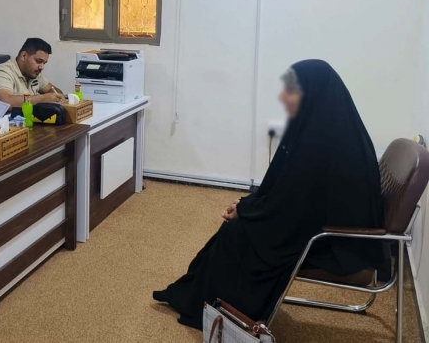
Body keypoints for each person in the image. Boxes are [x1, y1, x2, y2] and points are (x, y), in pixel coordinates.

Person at [153, 60, 386, 329]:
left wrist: (248, 212)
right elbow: (287, 188)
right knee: (240, 226)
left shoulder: (328, 144)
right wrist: (248, 205)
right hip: (316, 222)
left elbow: (297, 204)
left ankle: (223, 311)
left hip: (335, 244)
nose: (282, 96)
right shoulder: (322, 127)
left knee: (239, 235)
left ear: (312, 93)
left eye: (291, 90)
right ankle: (199, 298)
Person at [0, 38, 64, 107]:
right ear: (24, 56)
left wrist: (56, 96)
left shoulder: (34, 73)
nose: (41, 67)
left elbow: (52, 89)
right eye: (38, 61)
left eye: (44, 63)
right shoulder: (3, 72)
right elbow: (5, 101)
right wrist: (42, 99)